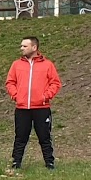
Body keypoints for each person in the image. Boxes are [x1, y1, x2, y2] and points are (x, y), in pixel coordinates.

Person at [6, 36, 60, 170]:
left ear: (34, 47)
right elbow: (10, 82)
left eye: (25, 46)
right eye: (21, 46)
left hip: (41, 108)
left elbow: (55, 83)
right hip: (22, 108)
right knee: (20, 137)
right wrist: (16, 96)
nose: (21, 48)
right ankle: (16, 162)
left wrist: (45, 96)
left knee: (44, 136)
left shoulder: (47, 65)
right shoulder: (16, 65)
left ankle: (49, 163)